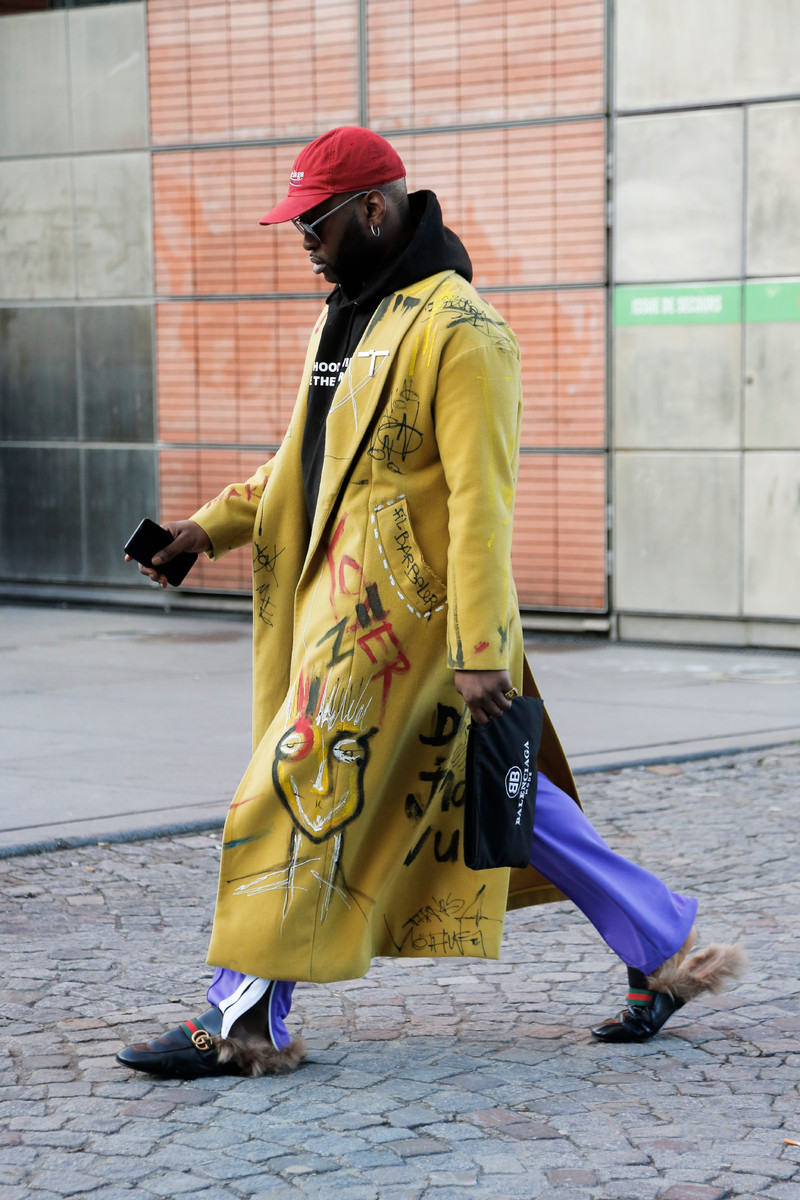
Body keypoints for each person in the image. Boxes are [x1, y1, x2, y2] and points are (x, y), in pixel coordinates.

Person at [117, 127, 743, 1079]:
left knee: (291, 791)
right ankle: (665, 947)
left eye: (316, 221)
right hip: (349, 624)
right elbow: (305, 462)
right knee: (497, 797)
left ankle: (241, 1018)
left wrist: (481, 647)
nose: (304, 241)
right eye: (298, 224)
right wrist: (206, 529)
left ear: (374, 208)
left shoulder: (464, 331)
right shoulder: (348, 319)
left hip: (409, 636)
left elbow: (482, 500)